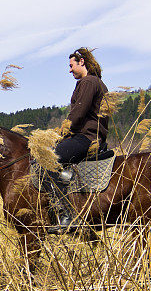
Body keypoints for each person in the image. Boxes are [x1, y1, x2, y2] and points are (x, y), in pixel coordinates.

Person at [46, 48, 109, 234]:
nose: (70, 70)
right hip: (92, 137)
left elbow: (78, 113)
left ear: (82, 62)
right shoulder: (98, 83)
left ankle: (67, 214)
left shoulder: (88, 82)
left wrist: (62, 132)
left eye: (71, 65)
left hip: (86, 138)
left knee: (48, 160)